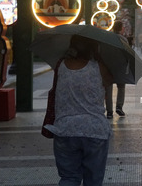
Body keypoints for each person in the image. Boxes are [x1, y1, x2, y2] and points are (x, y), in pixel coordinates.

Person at [42, 35, 113, 185]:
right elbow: (109, 81)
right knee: (93, 180)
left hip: (65, 129)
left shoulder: (61, 65)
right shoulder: (99, 66)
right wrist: (99, 56)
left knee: (69, 178)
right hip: (94, 130)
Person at [105, 20, 128, 118]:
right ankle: (119, 106)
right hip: (120, 65)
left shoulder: (108, 38)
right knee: (121, 87)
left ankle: (109, 111)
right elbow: (127, 53)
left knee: (108, 88)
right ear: (121, 28)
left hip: (109, 65)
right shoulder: (123, 39)